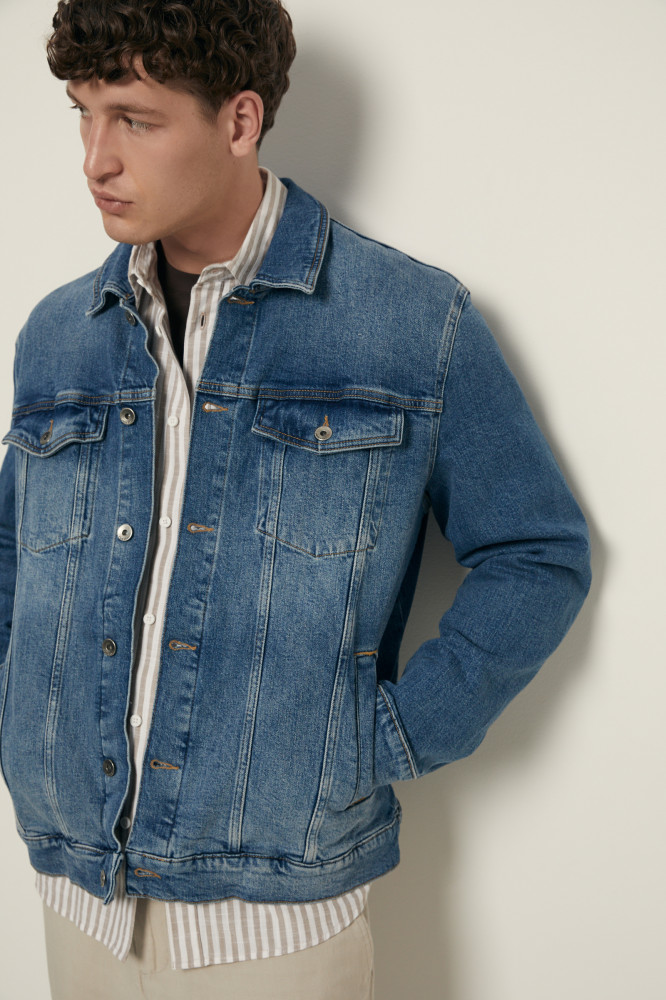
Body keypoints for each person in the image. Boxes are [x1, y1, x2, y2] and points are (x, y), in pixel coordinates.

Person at [0, 1, 591, 997]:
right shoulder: (60, 333)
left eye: (135, 119)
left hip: (276, 920)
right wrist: (24, 720)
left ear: (239, 121)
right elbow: (14, 553)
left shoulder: (410, 325)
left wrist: (386, 737)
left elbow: (538, 553)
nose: (96, 158)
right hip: (77, 895)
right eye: (84, 114)